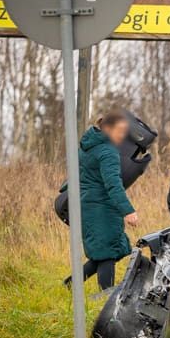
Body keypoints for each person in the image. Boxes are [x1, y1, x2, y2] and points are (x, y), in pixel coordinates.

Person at [64, 109, 140, 291]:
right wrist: (128, 210)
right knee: (108, 254)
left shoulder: (87, 146)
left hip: (88, 204)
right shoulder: (108, 152)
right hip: (102, 208)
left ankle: (70, 285)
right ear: (107, 128)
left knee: (106, 251)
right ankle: (106, 299)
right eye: (119, 131)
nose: (122, 136)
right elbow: (113, 184)